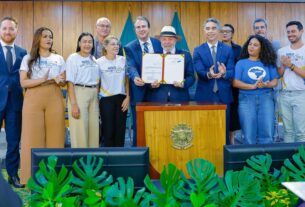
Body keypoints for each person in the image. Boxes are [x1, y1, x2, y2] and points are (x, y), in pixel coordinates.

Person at [19, 27, 66, 184]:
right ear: (38, 38)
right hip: (33, 97)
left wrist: (61, 80)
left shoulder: (58, 58)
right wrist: (42, 79)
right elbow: (23, 82)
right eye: (45, 36)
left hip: (54, 96)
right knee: (31, 137)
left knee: (56, 137)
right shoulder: (28, 58)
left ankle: (55, 178)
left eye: (51, 37)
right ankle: (29, 178)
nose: (49, 39)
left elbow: (64, 80)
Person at [193, 18, 235, 144]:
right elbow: (199, 71)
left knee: (224, 130)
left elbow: (232, 72)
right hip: (204, 96)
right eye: (207, 28)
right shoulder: (198, 50)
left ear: (218, 31)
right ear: (204, 31)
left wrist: (224, 73)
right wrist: (209, 74)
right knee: (204, 130)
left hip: (224, 96)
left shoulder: (228, 49)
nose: (210, 31)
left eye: (213, 28)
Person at [124, 16, 162, 146]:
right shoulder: (129, 47)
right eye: (138, 27)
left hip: (157, 91)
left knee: (157, 125)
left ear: (149, 28)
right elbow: (131, 65)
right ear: (135, 30)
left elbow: (164, 63)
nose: (141, 29)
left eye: (143, 26)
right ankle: (138, 154)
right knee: (139, 126)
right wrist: (135, 77)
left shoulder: (159, 43)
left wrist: (161, 79)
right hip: (138, 91)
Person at [233, 35, 278, 144]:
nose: (251, 47)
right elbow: (235, 82)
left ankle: (266, 160)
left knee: (267, 135)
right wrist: (252, 86)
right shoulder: (241, 63)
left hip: (266, 98)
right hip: (246, 99)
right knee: (248, 136)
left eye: (255, 45)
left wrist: (265, 85)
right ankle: (250, 160)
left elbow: (274, 82)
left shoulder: (268, 62)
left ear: (261, 48)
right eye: (250, 44)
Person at [0, 16, 26, 188]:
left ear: (17, 31)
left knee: (13, 141)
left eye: (11, 28)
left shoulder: (23, 52)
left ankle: (12, 175)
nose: (8, 31)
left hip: (15, 103)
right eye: (5, 28)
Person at [66, 32, 100, 148]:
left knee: (94, 130)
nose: (87, 44)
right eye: (84, 41)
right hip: (79, 92)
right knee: (80, 130)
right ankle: (80, 161)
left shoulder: (94, 59)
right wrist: (74, 104)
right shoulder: (73, 58)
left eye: (90, 42)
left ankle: (91, 161)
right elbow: (69, 83)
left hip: (94, 94)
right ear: (79, 43)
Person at [147, 26, 195, 102]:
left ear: (175, 40)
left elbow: (191, 77)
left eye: (170, 39)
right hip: (158, 99)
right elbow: (148, 79)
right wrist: (151, 84)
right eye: (164, 39)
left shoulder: (185, 55)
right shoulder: (154, 56)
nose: (167, 42)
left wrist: (183, 84)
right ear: (160, 40)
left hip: (180, 98)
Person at [96, 35, 129, 147]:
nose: (116, 46)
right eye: (113, 44)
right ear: (105, 46)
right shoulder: (99, 62)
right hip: (106, 100)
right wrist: (96, 100)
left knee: (120, 130)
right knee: (108, 131)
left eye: (117, 44)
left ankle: (119, 158)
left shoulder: (123, 60)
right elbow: (97, 83)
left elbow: (126, 81)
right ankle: (108, 158)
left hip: (121, 99)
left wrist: (128, 97)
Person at [253, 18, 282, 142]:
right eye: (257, 28)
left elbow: (276, 64)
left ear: (266, 29)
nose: (260, 29)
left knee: (272, 115)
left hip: (272, 86)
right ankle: (257, 140)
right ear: (254, 30)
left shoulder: (274, 44)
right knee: (256, 116)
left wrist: (268, 46)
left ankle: (274, 139)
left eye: (262, 27)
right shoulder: (251, 43)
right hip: (255, 88)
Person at [277, 21, 305, 143]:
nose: (290, 34)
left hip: (301, 94)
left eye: (293, 31)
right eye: (288, 32)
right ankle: (287, 161)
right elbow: (279, 74)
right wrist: (283, 66)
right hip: (284, 95)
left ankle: (301, 161)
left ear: (301, 31)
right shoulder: (281, 51)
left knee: (301, 132)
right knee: (288, 131)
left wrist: (291, 65)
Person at [221, 23, 242, 144]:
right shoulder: (217, 47)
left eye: (227, 31)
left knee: (232, 113)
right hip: (220, 84)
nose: (224, 33)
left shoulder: (238, 49)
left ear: (232, 34)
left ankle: (232, 140)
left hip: (234, 86)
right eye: (222, 31)